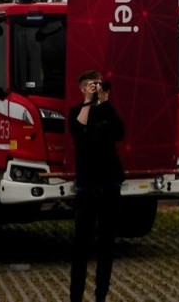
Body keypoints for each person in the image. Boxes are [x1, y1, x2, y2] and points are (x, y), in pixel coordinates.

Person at [69, 70, 125, 302]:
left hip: (109, 185)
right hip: (87, 187)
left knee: (106, 246)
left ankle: (101, 295)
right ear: (82, 88)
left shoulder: (106, 111)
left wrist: (105, 102)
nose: (96, 87)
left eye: (99, 84)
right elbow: (78, 132)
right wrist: (87, 102)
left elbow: (120, 133)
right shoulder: (77, 112)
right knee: (81, 247)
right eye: (92, 85)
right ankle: (76, 296)